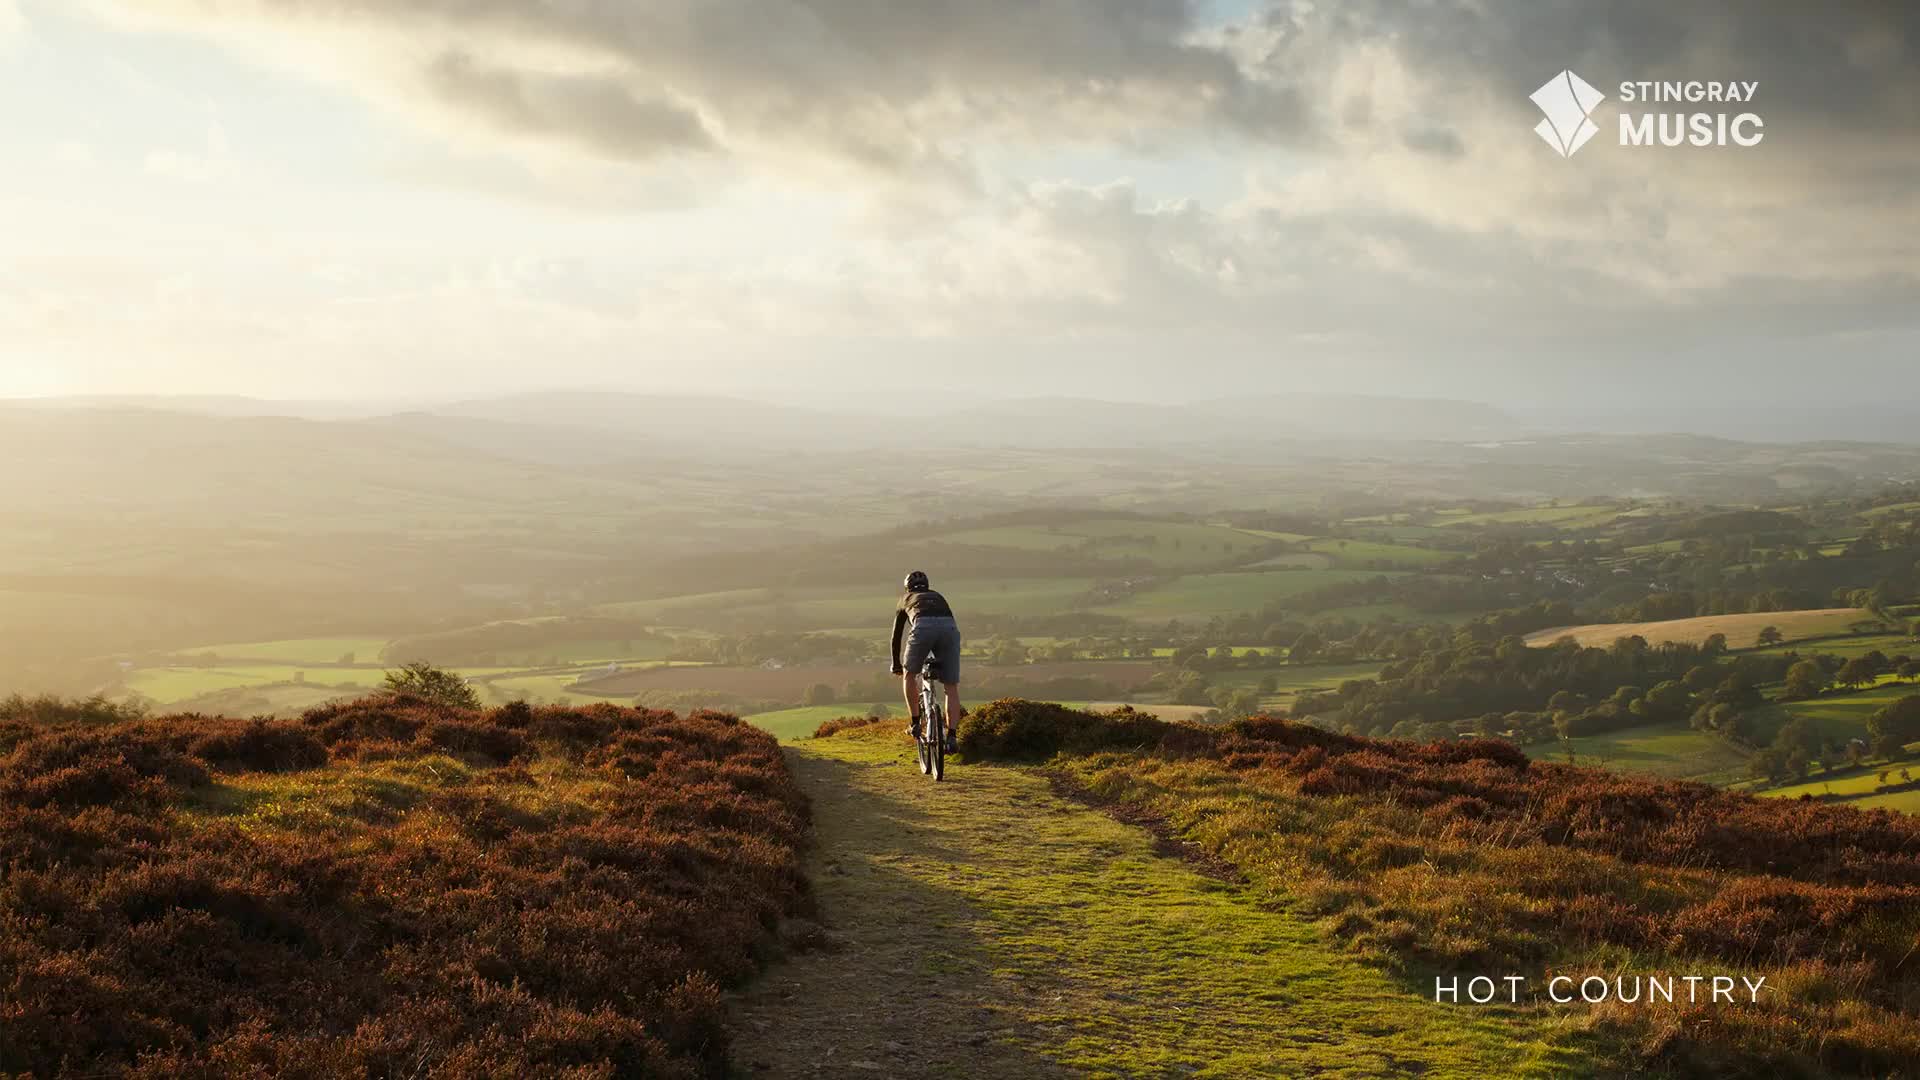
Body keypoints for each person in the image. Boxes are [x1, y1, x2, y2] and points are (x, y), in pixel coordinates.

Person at [889, 570, 961, 752]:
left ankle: (914, 723)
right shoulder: (938, 596)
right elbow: (948, 620)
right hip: (949, 630)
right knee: (951, 686)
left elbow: (896, 637)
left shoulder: (905, 599)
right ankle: (952, 737)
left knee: (909, 674)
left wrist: (896, 664)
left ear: (908, 587)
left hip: (923, 627)